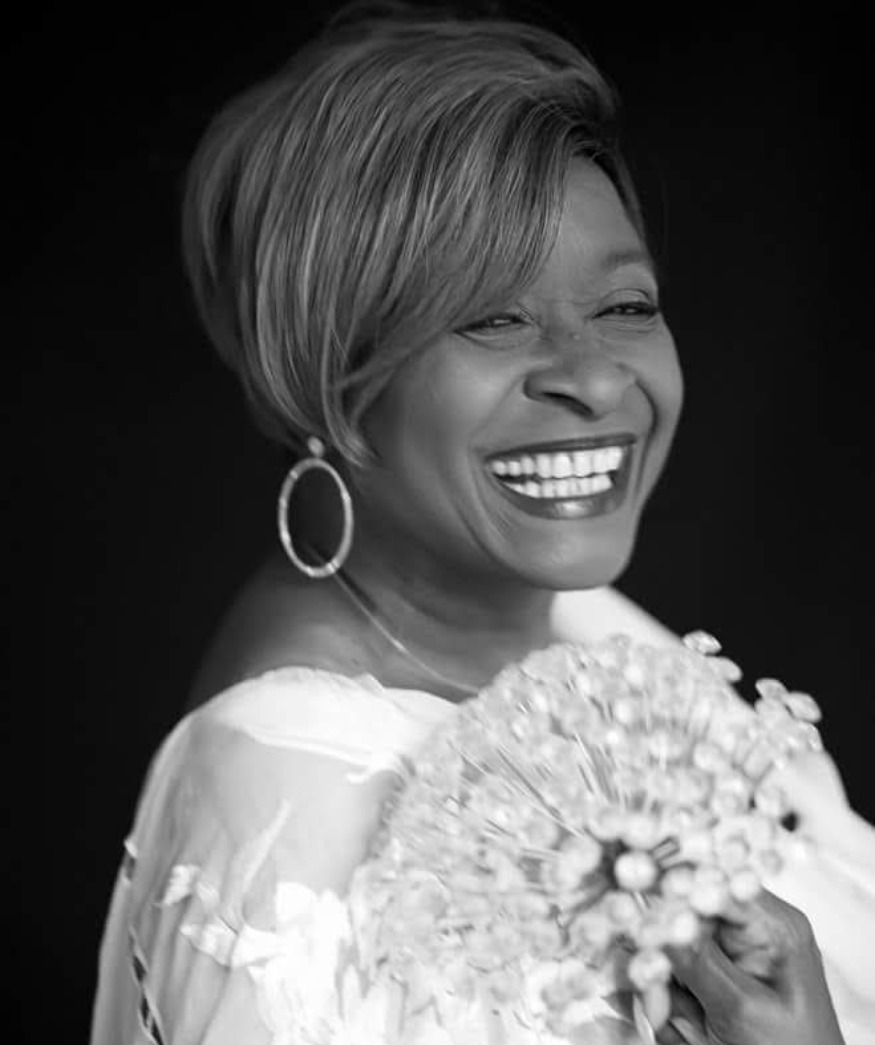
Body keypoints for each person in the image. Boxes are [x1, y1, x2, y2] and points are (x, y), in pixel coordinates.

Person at [89, 2, 875, 1043]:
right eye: (493, 318)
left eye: (626, 305)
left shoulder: (587, 633)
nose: (596, 379)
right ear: (332, 384)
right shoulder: (287, 793)